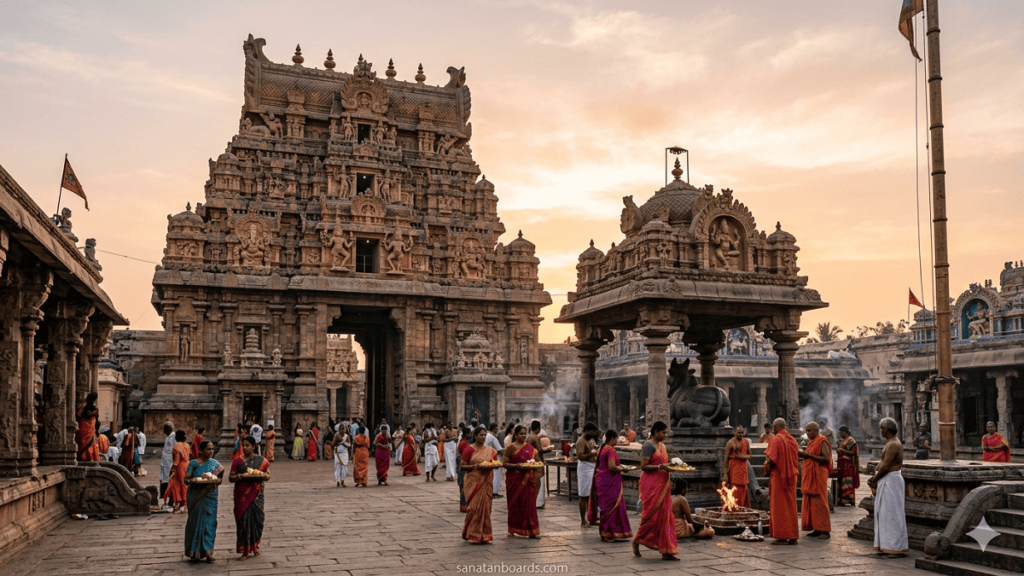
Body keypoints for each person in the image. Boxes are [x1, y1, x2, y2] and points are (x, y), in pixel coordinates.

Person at [631, 421, 678, 561]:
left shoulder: (662, 446)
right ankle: (637, 540)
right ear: (656, 432)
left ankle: (666, 551)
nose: (665, 435)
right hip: (651, 485)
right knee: (650, 517)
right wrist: (660, 467)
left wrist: (670, 466)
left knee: (665, 518)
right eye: (663, 432)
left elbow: (663, 463)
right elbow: (644, 466)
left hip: (663, 484)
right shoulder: (648, 446)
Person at [868, 417, 908, 558]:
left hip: (892, 481)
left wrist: (875, 478)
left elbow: (886, 466)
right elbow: (882, 463)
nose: (880, 431)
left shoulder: (893, 444)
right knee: (884, 514)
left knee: (892, 514)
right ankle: (886, 546)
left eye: (881, 428)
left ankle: (895, 548)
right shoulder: (890, 443)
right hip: (887, 480)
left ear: (885, 429)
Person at [229, 436, 270, 559]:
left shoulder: (261, 460)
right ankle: (244, 550)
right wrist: (239, 477)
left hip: (257, 494)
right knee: (243, 522)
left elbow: (267, 475)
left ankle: (255, 546)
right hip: (242, 494)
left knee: (258, 519)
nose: (245, 448)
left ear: (253, 446)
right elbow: (231, 478)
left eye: (248, 445)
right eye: (243, 445)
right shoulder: (237, 461)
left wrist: (262, 476)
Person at [184, 440, 223, 563]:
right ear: (201, 450)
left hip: (210, 496)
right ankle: (193, 551)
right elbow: (186, 479)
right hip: (196, 496)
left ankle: (208, 552)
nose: (211, 451)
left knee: (210, 523)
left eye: (212, 449)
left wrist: (215, 480)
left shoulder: (215, 464)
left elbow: (219, 479)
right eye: (208, 449)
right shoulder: (193, 463)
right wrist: (193, 481)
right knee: (194, 523)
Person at [590, 429, 633, 542]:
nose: (617, 441)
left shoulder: (602, 448)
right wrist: (623, 469)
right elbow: (612, 467)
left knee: (606, 508)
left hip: (602, 480)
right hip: (609, 482)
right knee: (612, 508)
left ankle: (605, 532)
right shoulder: (610, 450)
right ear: (612, 439)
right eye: (617, 439)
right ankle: (609, 533)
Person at [764, 417, 799, 545]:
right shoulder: (793, 440)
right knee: (791, 505)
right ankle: (793, 535)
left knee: (779, 507)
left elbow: (772, 459)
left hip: (779, 477)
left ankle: (782, 536)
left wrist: (767, 467)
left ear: (775, 427)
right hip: (791, 477)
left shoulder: (775, 439)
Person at [461, 426, 498, 544]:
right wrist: (474, 466)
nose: (483, 437)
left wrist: (494, 465)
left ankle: (484, 535)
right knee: (472, 508)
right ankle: (470, 532)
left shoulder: (491, 450)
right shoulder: (469, 450)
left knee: (486, 508)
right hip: (473, 482)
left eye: (484, 435)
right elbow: (462, 466)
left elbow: (495, 463)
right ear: (475, 436)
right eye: (480, 435)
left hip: (486, 481)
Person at [503, 425, 540, 538]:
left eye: (525, 434)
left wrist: (534, 465)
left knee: (529, 505)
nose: (523, 436)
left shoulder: (530, 448)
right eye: (521, 434)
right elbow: (504, 464)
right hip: (514, 480)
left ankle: (532, 530)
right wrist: (516, 466)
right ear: (516, 434)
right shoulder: (511, 448)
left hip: (528, 480)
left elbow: (537, 462)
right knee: (515, 505)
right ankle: (513, 528)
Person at [798, 422, 832, 539]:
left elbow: (826, 459)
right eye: (806, 431)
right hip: (810, 474)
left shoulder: (822, 440)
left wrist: (807, 455)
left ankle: (825, 530)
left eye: (809, 431)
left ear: (816, 430)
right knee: (812, 502)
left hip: (819, 474)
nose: (807, 433)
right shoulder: (811, 442)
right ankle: (816, 528)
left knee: (821, 501)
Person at [576, 423, 599, 528]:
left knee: (592, 494)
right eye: (593, 432)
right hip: (584, 470)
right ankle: (583, 521)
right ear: (587, 430)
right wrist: (592, 454)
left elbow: (593, 448)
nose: (594, 434)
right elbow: (580, 456)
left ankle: (592, 518)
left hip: (592, 468)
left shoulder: (590, 440)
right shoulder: (581, 441)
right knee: (584, 495)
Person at [724, 425, 751, 508]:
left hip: (743, 470)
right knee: (735, 490)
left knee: (743, 490)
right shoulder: (730, 443)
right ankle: (734, 508)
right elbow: (726, 458)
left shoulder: (746, 442)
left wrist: (738, 456)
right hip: (734, 471)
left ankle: (743, 508)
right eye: (739, 432)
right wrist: (725, 474)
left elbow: (749, 455)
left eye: (742, 432)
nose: (741, 434)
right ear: (734, 432)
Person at [527, 420, 552, 509]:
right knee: (538, 482)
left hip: (531, 460)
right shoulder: (536, 437)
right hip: (537, 461)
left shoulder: (529, 436)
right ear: (538, 428)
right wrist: (548, 449)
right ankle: (538, 502)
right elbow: (539, 450)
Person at [836, 426, 860, 506]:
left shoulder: (851, 441)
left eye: (840, 433)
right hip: (841, 465)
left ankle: (849, 500)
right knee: (840, 481)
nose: (839, 434)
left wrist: (843, 451)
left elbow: (853, 452)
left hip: (848, 465)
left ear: (845, 432)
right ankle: (841, 500)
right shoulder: (842, 440)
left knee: (847, 481)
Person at [166, 430, 190, 512]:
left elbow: (176, 461)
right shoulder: (187, 445)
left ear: (176, 437)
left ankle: (181, 502)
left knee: (178, 484)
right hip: (187, 465)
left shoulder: (176, 446)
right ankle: (184, 502)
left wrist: (172, 469)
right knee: (185, 484)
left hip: (180, 466)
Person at [75, 392, 101, 462]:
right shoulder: (95, 409)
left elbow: (77, 417)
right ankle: (90, 458)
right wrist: (97, 429)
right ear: (94, 400)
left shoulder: (81, 408)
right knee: (91, 445)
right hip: (90, 429)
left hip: (82, 428)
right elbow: (97, 421)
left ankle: (82, 457)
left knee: (82, 444)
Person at [159, 422, 176, 506]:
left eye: (164, 429)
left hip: (170, 463)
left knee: (170, 482)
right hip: (165, 463)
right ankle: (167, 500)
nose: (163, 431)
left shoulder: (174, 437)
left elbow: (176, 450)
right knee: (164, 481)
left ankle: (171, 501)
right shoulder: (167, 437)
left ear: (169, 429)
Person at [485, 423, 504, 497]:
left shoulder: (487, 435)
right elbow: (499, 449)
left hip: (487, 457)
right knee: (497, 474)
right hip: (494, 458)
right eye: (496, 429)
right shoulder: (492, 437)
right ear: (494, 429)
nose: (497, 430)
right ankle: (494, 492)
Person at [458, 426, 472, 511]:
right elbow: (465, 455)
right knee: (463, 484)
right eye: (470, 433)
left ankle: (465, 504)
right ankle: (463, 505)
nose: (471, 434)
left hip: (465, 462)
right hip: (464, 463)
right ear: (466, 434)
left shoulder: (466, 442)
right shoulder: (463, 443)